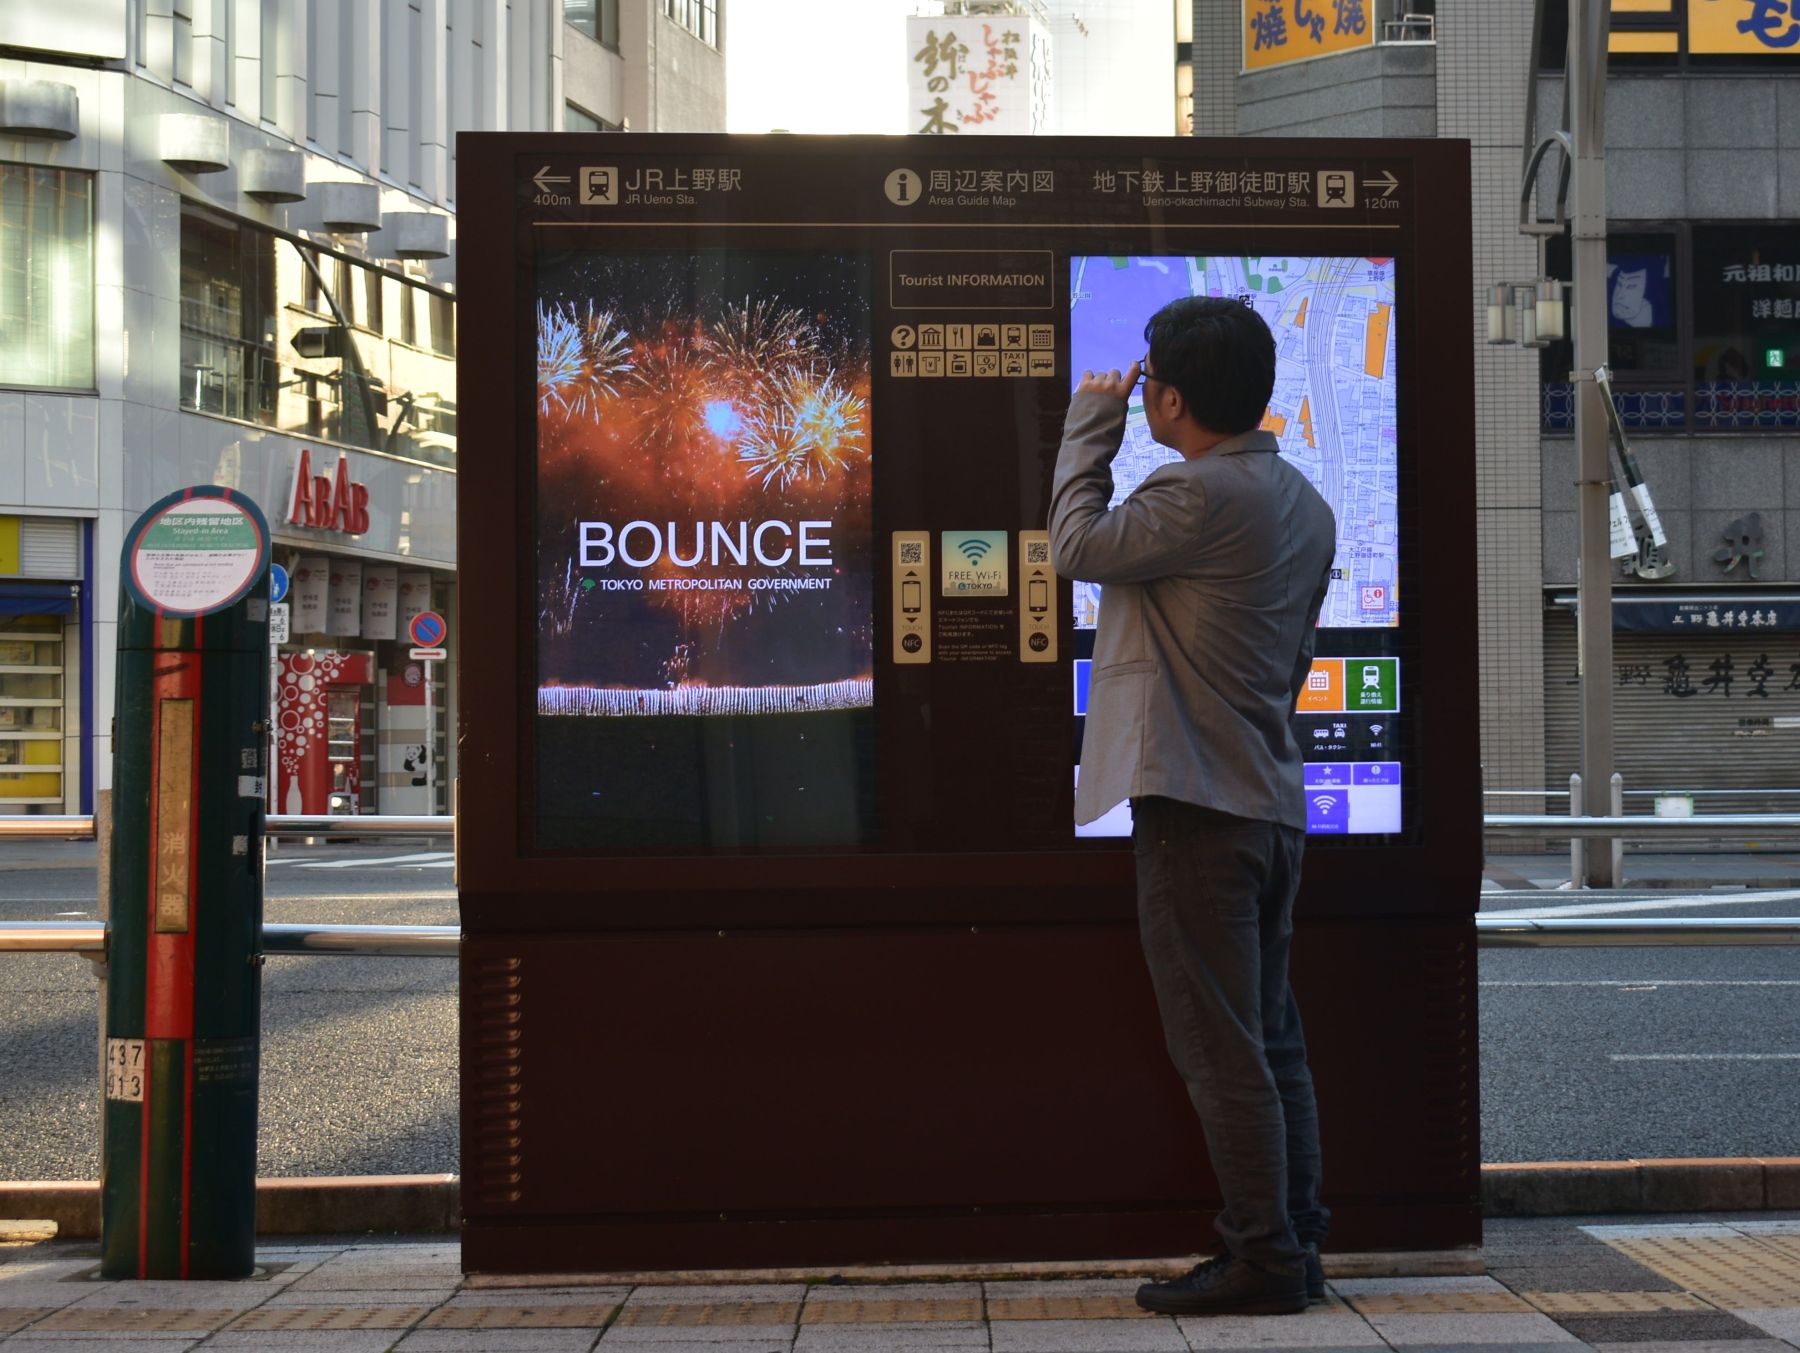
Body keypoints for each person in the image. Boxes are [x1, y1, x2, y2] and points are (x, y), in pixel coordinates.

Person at [1048, 296, 1337, 1317]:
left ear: (1168, 396)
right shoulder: (1303, 499)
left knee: (1222, 1051)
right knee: (1270, 1037)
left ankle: (1259, 1257)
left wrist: (1091, 424)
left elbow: (1074, 546)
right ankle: (1297, 1242)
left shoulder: (1194, 495)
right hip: (1267, 798)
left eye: (1147, 384)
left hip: (1196, 807)